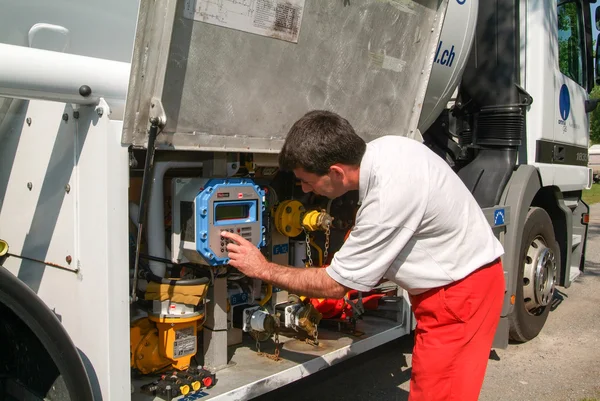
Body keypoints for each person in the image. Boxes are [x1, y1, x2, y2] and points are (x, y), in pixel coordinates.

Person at [220, 110, 505, 401]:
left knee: (437, 394)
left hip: (458, 296)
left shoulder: (387, 200)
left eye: (307, 181)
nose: (304, 189)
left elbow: (335, 286)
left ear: (336, 173)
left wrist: (263, 268)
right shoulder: (388, 147)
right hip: (461, 280)